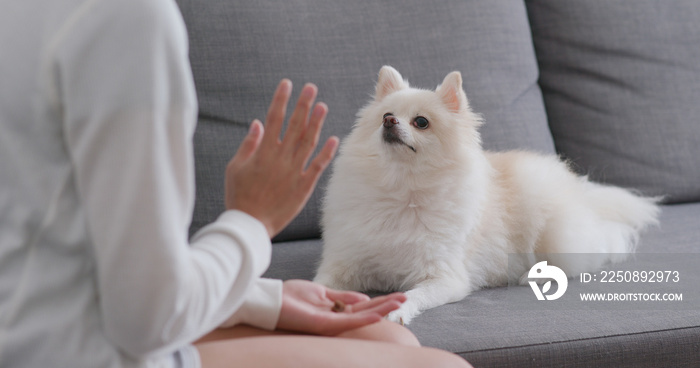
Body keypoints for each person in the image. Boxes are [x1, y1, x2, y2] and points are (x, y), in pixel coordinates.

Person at [0, 0, 472, 367]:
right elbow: (145, 321)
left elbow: (79, 247)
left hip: (43, 313)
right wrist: (251, 220)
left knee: (387, 334)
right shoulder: (127, 20)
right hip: (59, 347)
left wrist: (263, 298)